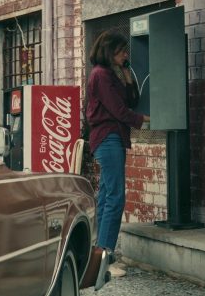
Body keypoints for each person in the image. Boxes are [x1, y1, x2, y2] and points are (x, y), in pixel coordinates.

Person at [86, 30, 149, 288]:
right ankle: (106, 256)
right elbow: (118, 110)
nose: (126, 54)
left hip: (113, 138)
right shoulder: (100, 75)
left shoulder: (112, 75)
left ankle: (100, 253)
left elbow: (132, 100)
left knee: (105, 195)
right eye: (122, 50)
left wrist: (126, 73)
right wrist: (142, 121)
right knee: (115, 196)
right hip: (108, 136)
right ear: (110, 50)